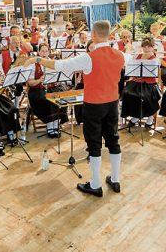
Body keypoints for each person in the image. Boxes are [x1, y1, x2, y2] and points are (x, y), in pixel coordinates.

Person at [25, 20, 124, 197]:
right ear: (109, 35)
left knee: (94, 144)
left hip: (94, 105)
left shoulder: (88, 57)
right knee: (113, 140)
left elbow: (59, 65)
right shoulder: (120, 55)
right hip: (112, 103)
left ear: (93, 35)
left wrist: (38, 59)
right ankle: (115, 180)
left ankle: (95, 184)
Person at [26, 44, 68, 138]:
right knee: (48, 100)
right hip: (37, 90)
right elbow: (30, 83)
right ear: (39, 52)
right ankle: (50, 126)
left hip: (51, 88)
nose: (44, 53)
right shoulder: (33, 64)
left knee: (61, 98)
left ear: (49, 52)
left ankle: (56, 125)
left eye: (46, 51)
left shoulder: (52, 62)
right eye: (42, 51)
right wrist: (39, 80)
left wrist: (56, 79)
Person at [120, 37, 162, 129]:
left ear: (153, 47)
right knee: (127, 93)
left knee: (145, 96)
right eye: (144, 47)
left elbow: (154, 76)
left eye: (149, 47)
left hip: (149, 84)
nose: (146, 49)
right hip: (136, 82)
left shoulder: (155, 60)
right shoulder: (137, 57)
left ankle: (150, 117)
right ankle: (135, 116)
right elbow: (130, 71)